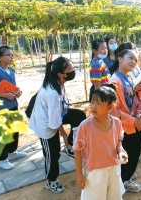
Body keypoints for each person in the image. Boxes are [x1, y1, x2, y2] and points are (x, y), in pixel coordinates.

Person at [29, 57, 86, 193]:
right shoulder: (52, 93)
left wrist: (68, 140)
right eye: (70, 69)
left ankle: (70, 146)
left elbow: (56, 114)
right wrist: (64, 136)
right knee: (52, 154)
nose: (73, 71)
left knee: (79, 116)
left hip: (55, 115)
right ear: (60, 74)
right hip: (45, 125)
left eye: (72, 67)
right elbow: (54, 122)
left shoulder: (56, 82)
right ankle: (51, 180)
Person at [74, 84, 127, 200]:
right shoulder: (85, 126)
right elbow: (77, 150)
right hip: (94, 172)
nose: (94, 106)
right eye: (92, 102)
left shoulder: (117, 123)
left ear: (110, 106)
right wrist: (79, 175)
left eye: (99, 103)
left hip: (114, 168)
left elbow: (118, 139)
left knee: (115, 197)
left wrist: (121, 150)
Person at [109, 49, 141, 193]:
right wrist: (133, 121)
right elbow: (114, 110)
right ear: (120, 59)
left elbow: (138, 101)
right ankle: (124, 182)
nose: (133, 61)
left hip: (135, 123)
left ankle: (126, 178)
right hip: (125, 126)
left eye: (135, 60)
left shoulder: (130, 78)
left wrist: (139, 91)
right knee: (126, 155)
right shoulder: (114, 81)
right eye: (130, 58)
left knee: (134, 153)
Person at [0, 46, 26, 170]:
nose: (11, 57)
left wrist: (17, 92)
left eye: (12, 55)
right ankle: (2, 159)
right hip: (2, 108)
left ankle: (12, 151)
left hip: (13, 105)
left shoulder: (12, 70)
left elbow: (11, 87)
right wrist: (5, 95)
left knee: (14, 130)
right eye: (8, 55)